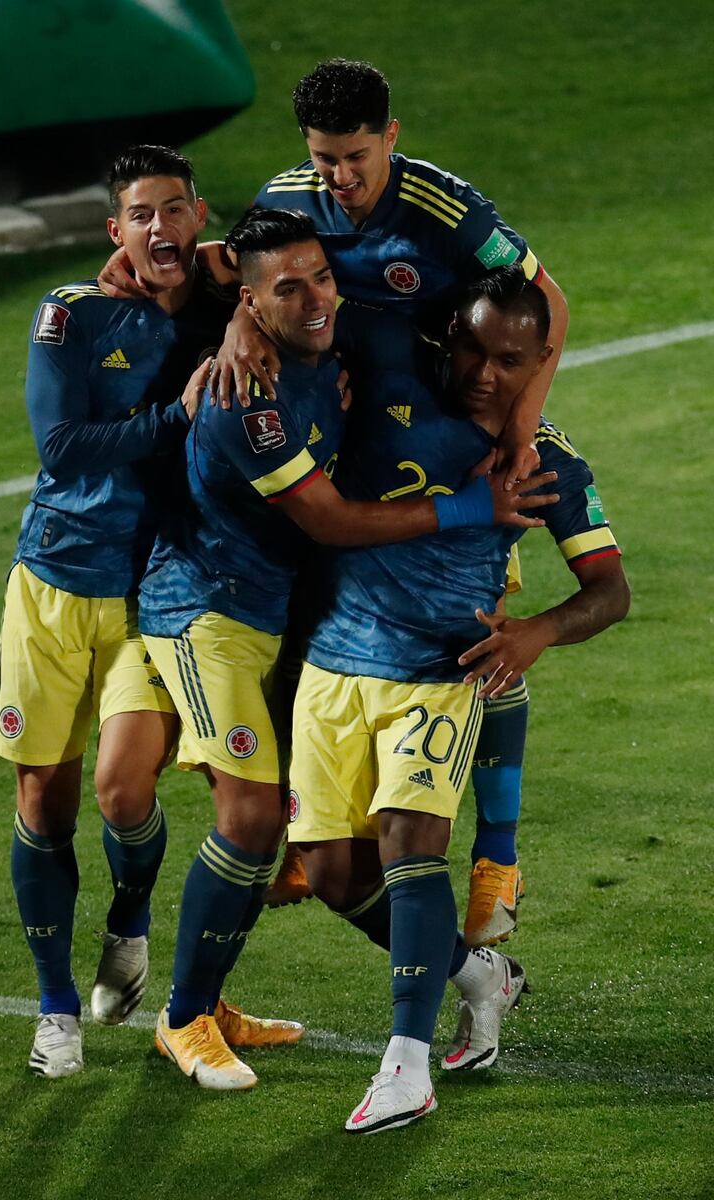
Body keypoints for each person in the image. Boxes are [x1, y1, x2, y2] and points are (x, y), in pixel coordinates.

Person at [97, 58, 568, 931]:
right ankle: (306, 828)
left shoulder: (443, 208)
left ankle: (498, 859)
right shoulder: (290, 194)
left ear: (391, 138)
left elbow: (547, 301)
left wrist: (517, 429)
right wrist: (231, 316)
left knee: (468, 629)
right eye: (324, 158)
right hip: (349, 433)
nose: (340, 178)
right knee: (315, 615)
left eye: (356, 156)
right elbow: (242, 267)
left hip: (440, 426)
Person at [137, 209, 555, 1091]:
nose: (316, 296)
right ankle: (182, 1019)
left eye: (320, 276)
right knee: (251, 819)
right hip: (207, 611)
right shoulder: (243, 397)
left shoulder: (333, 343)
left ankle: (473, 971)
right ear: (249, 301)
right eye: (284, 289)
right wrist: (469, 512)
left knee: (335, 865)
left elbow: (506, 322)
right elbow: (327, 520)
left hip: (297, 617)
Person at [285, 266, 629, 1133]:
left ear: (539, 359)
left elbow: (608, 589)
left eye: (508, 358)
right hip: (333, 665)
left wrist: (535, 633)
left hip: (440, 672)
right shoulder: (387, 394)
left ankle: (405, 1067)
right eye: (470, 347)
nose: (482, 371)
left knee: (410, 847)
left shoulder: (545, 459)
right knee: (332, 873)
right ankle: (479, 975)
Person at [0, 144, 235, 1079]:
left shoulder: (224, 302)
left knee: (124, 793)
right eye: (142, 214)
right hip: (51, 581)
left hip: (149, 591)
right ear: (115, 230)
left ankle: (129, 925)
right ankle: (56, 1013)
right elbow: (61, 446)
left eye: (176, 210)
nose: (161, 227)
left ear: (200, 217)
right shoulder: (72, 314)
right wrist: (174, 417)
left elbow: (293, 265)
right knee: (43, 799)